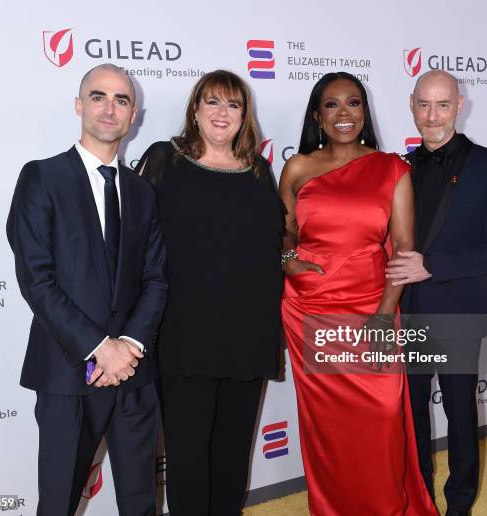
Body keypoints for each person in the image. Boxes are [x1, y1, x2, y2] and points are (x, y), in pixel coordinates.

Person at [6, 64, 168, 516]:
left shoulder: (141, 191)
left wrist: (129, 347)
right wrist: (100, 348)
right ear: (79, 105)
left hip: (135, 372)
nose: (109, 108)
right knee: (59, 500)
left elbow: (156, 278)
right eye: (98, 96)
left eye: (121, 99)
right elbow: (36, 279)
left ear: (134, 114)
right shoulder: (42, 177)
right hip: (68, 370)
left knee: (141, 502)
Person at [279, 72, 437, 515]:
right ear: (318, 115)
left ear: (365, 113)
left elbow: (404, 250)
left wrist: (386, 313)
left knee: (382, 419)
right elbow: (286, 229)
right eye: (332, 105)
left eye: (353, 103)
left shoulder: (392, 169)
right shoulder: (298, 167)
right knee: (328, 428)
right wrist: (287, 257)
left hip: (373, 308)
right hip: (309, 307)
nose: (343, 113)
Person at [134, 70, 284, 516]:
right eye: (213, 102)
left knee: (234, 452)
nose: (222, 113)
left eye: (233, 105)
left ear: (244, 116)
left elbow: (273, 242)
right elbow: (135, 240)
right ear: (195, 110)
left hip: (248, 332)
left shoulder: (259, 169)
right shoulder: (164, 158)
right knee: (187, 454)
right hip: (184, 331)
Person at [386, 70, 487, 516]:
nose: (432, 115)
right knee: (413, 416)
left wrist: (433, 266)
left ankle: (459, 503)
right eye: (424, 104)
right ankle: (420, 496)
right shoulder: (399, 167)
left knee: (461, 416)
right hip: (408, 313)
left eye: (442, 104)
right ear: (411, 104)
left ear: (459, 105)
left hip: (457, 314)